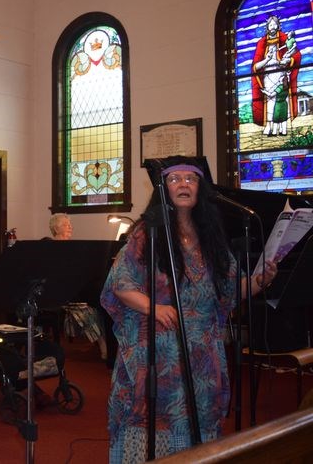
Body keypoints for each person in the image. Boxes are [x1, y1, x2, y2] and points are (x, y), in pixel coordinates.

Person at [100, 156, 278, 462]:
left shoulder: (212, 239)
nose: (183, 184)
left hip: (202, 358)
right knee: (154, 425)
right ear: (163, 188)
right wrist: (153, 307)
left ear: (200, 189)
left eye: (190, 179)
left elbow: (232, 290)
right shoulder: (148, 233)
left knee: (200, 424)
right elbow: (120, 284)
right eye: (174, 179)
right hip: (158, 352)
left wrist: (261, 281)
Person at [46, 213, 108, 360]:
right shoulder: (51, 248)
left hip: (77, 287)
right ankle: (102, 343)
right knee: (88, 309)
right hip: (62, 291)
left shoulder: (72, 246)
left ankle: (109, 341)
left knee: (102, 301)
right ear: (56, 228)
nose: (70, 227)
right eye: (66, 225)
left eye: (70, 224)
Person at [251, 14, 299, 136]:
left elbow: (296, 55)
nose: (272, 26)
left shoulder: (284, 39)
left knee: (281, 100)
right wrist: (266, 60)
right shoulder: (261, 43)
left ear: (278, 25)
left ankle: (283, 127)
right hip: (267, 75)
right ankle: (268, 125)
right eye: (270, 24)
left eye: (275, 24)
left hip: (281, 74)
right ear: (267, 27)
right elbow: (255, 66)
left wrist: (288, 60)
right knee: (269, 100)